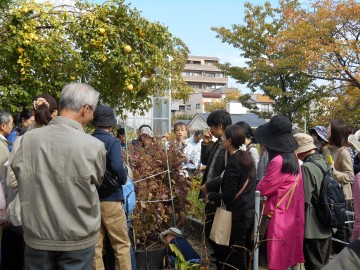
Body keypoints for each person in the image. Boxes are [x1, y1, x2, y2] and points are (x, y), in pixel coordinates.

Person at [11, 82, 106, 269]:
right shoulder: (93, 146)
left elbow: (17, 174)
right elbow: (98, 181)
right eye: (93, 110)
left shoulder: (29, 140)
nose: (93, 115)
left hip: (37, 235)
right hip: (77, 236)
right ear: (85, 109)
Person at [3, 94, 58, 270]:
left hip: (26, 215)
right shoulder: (63, 141)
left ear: (34, 113)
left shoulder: (22, 141)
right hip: (56, 216)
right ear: (54, 113)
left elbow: (11, 181)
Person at [255, 115, 305, 270]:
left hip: (278, 217)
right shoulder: (293, 159)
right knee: (286, 258)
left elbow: (263, 188)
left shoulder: (277, 161)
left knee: (276, 260)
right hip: (291, 215)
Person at [206, 125, 255, 270]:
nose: (221, 140)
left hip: (237, 214)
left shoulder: (234, 162)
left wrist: (211, 195)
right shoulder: (246, 158)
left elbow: (228, 196)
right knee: (241, 250)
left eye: (223, 138)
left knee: (235, 251)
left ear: (229, 141)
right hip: (247, 211)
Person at [91, 105, 131, 270]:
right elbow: (116, 167)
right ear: (111, 124)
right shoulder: (112, 141)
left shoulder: (88, 140)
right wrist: (123, 178)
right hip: (111, 200)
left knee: (95, 247)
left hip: (91, 199)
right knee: (120, 244)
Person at [294, 133, 332, 270]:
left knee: (313, 264)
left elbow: (304, 198)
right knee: (325, 263)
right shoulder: (324, 163)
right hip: (327, 222)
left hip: (312, 226)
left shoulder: (307, 167)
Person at [199, 110, 232, 261]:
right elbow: (206, 162)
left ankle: (220, 260)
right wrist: (206, 143)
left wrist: (210, 184)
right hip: (210, 193)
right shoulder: (218, 142)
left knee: (217, 231)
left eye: (211, 127)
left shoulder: (230, 144)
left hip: (218, 195)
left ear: (220, 125)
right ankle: (217, 258)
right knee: (210, 229)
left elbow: (227, 172)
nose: (210, 130)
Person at [324, 119, 354, 253]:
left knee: (342, 233)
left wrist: (333, 171)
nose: (326, 130)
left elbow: (350, 176)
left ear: (335, 132)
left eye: (328, 128)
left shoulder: (344, 152)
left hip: (342, 198)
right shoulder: (325, 149)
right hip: (328, 196)